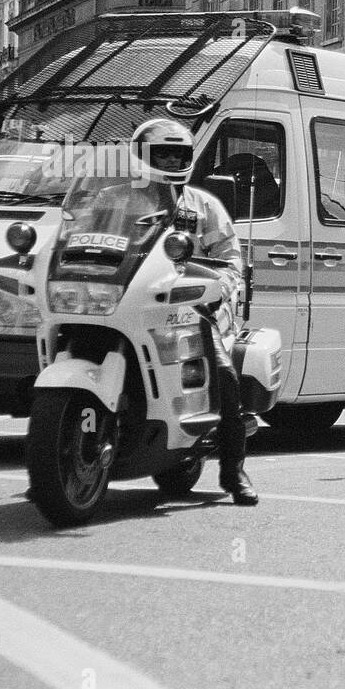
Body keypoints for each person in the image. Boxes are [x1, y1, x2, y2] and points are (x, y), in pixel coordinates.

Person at [131, 118, 259, 506]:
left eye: (178, 154)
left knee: (224, 376)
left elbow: (231, 259)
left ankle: (233, 470)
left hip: (189, 307)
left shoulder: (204, 205)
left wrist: (218, 287)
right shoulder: (120, 200)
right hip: (133, 304)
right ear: (140, 155)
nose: (171, 160)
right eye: (162, 153)